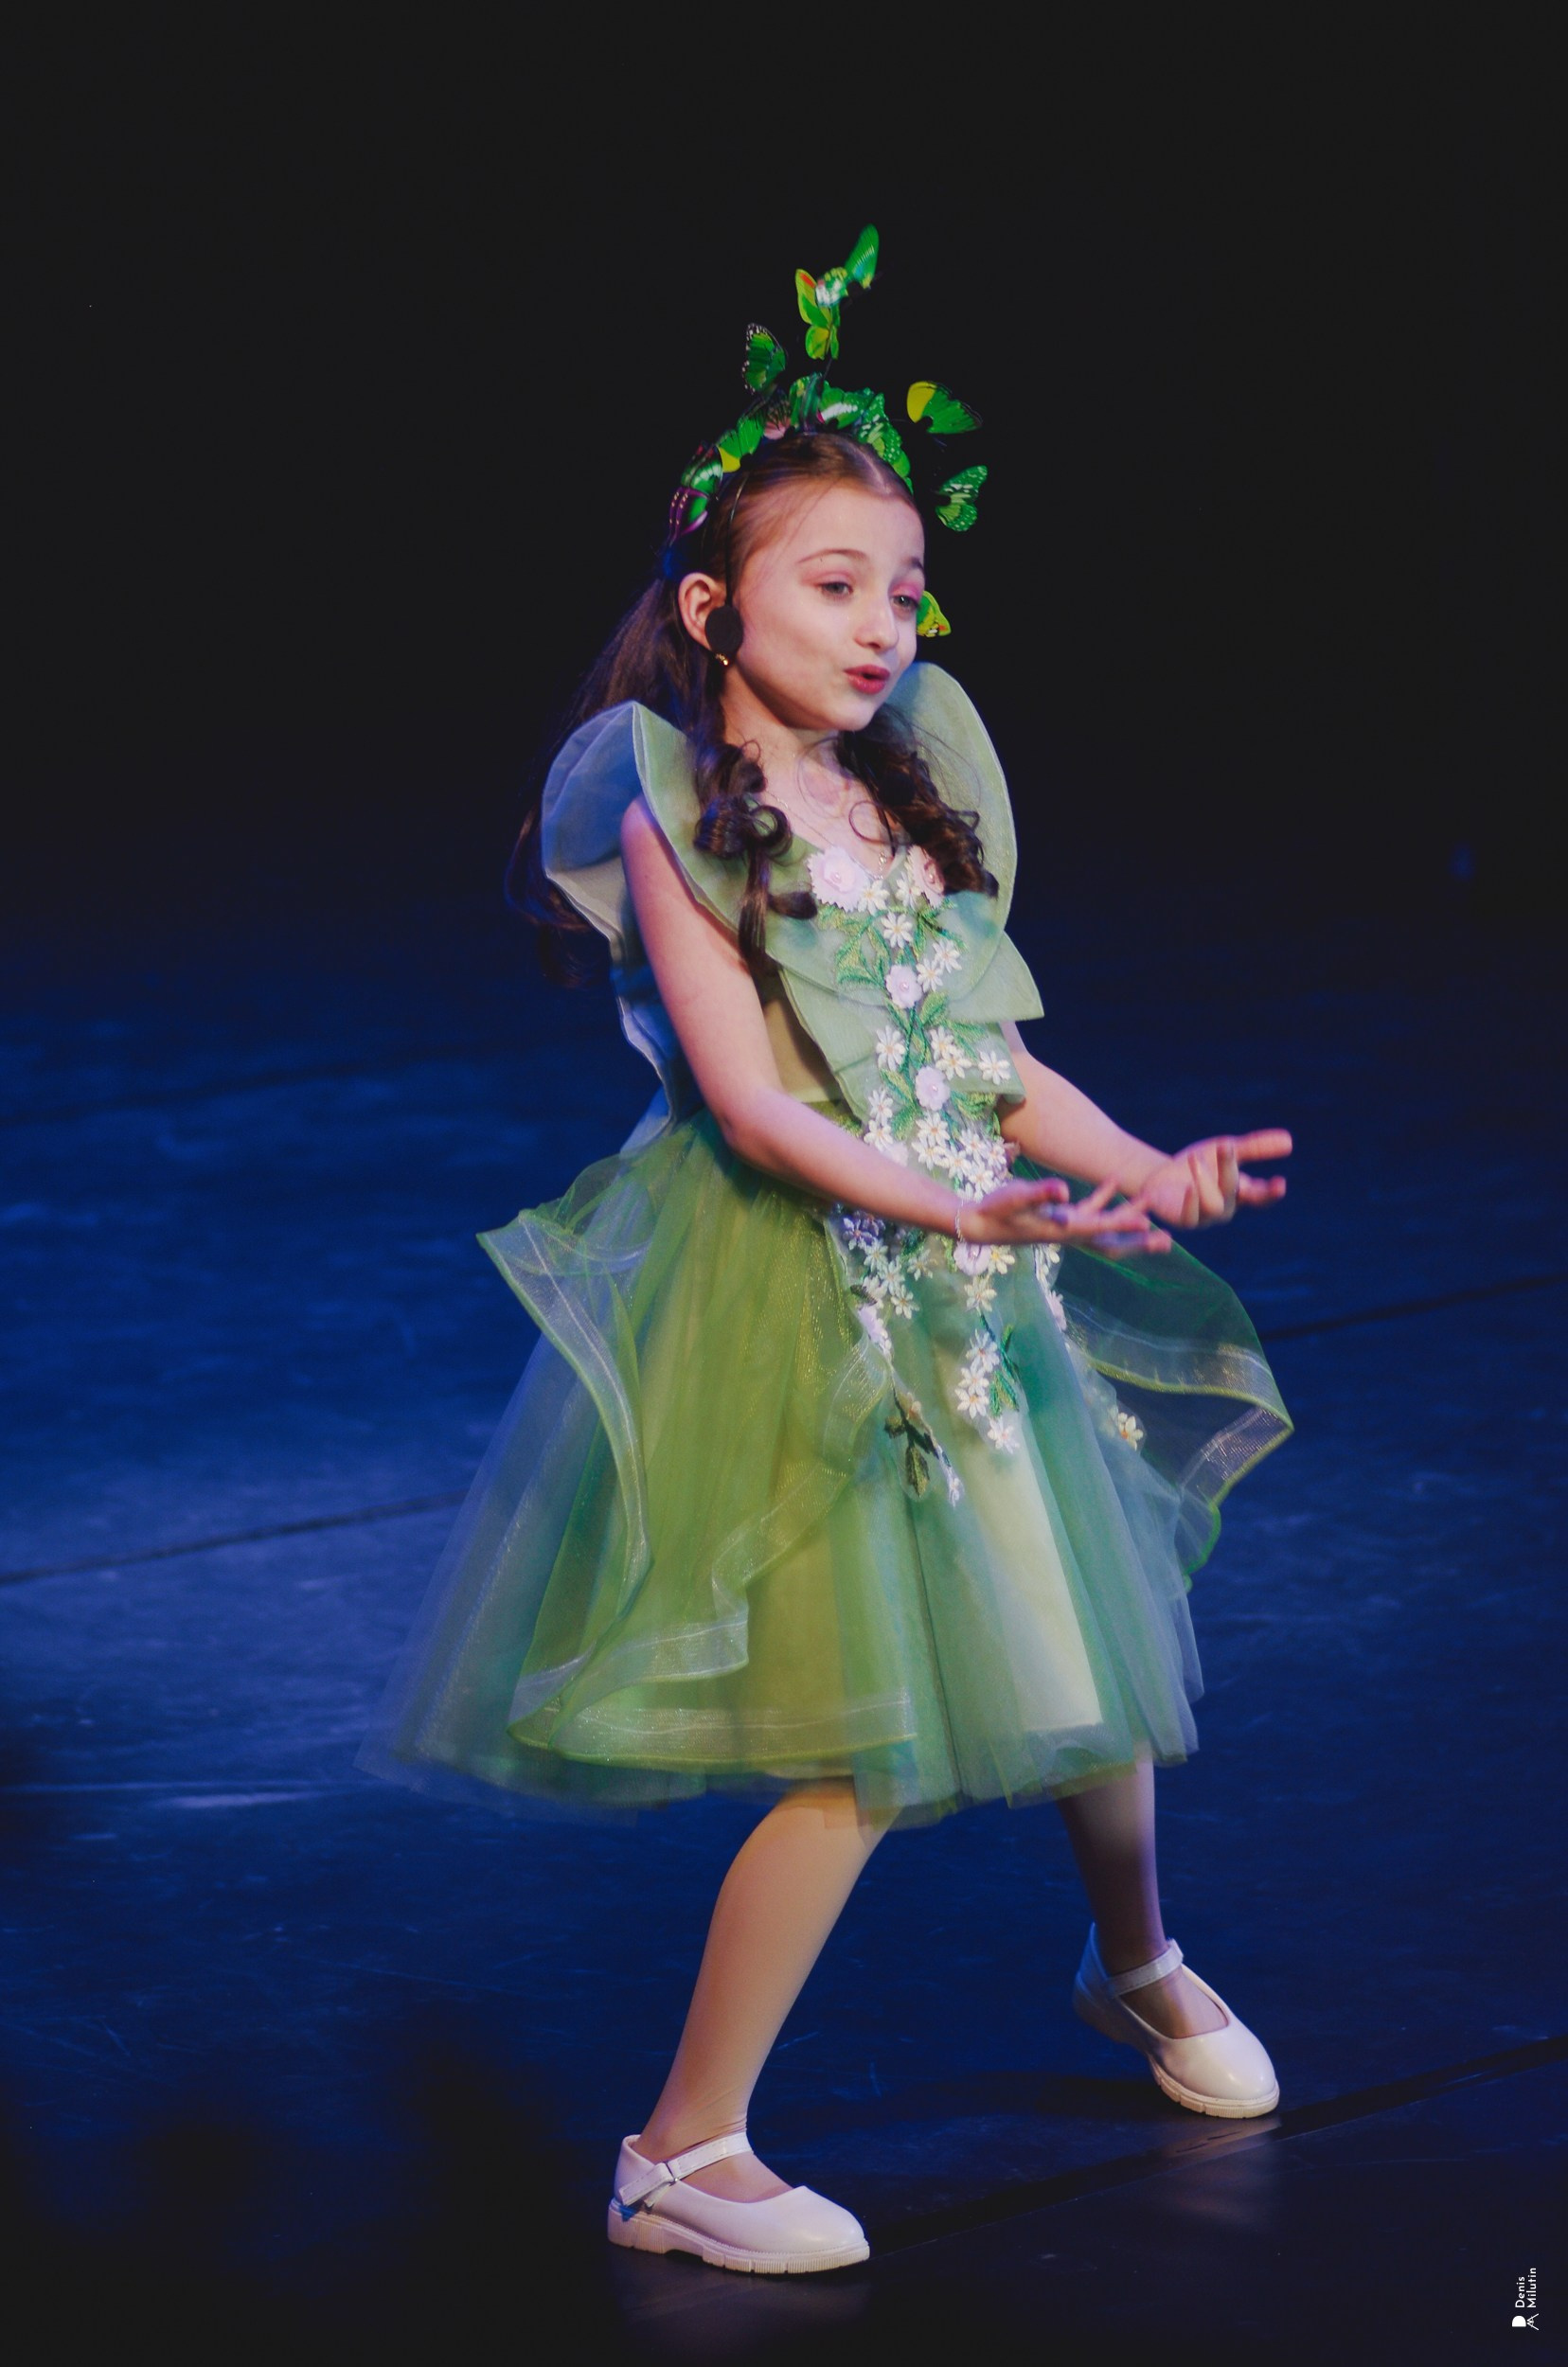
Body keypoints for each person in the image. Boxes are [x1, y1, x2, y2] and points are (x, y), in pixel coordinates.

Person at [358, 230, 1293, 2277]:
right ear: (718, 604)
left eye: (903, 589)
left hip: (973, 1283)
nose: (884, 626)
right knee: (871, 1736)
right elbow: (759, 1104)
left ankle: (1134, 1960)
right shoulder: (670, 803)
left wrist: (1149, 1167)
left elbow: (989, 1059)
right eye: (833, 584)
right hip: (808, 1294)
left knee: (1086, 1649)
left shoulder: (909, 785)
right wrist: (952, 1203)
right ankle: (680, 2148)